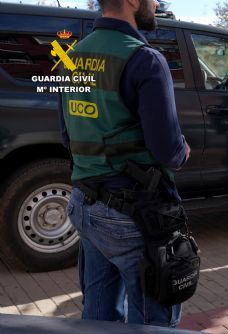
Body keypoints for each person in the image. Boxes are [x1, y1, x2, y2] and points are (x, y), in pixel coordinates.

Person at [58, 0, 190, 326]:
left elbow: (67, 136)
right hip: (132, 214)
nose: (156, 3)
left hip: (84, 204)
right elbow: (167, 149)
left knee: (98, 316)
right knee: (153, 319)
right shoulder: (145, 59)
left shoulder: (70, 58)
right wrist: (183, 151)